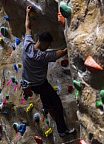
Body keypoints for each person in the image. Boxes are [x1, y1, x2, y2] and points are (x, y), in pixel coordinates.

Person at [22, 6, 75, 137]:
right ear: (44, 44)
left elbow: (28, 27)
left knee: (44, 89)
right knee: (57, 102)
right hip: (38, 83)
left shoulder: (27, 44)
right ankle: (62, 131)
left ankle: (45, 106)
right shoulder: (42, 56)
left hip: (29, 81)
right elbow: (60, 53)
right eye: (48, 46)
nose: (49, 48)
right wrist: (70, 43)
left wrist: (28, 13)